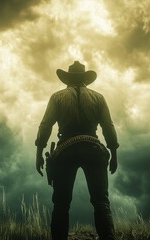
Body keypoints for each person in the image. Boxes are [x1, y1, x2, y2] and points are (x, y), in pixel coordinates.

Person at [35, 61, 119, 240]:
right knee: (101, 202)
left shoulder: (57, 97)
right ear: (85, 80)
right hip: (93, 148)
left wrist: (39, 153)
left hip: (66, 150)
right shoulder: (98, 97)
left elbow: (45, 125)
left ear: (67, 79)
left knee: (61, 204)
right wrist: (114, 154)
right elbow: (108, 127)